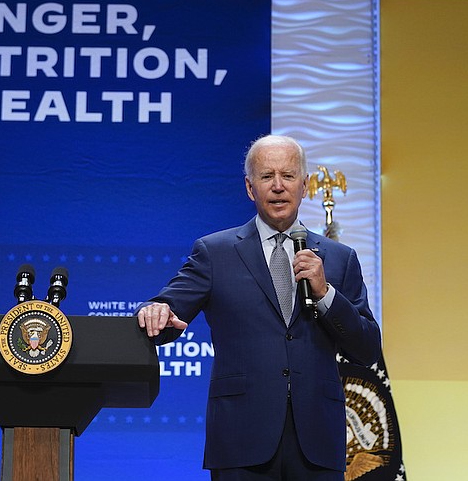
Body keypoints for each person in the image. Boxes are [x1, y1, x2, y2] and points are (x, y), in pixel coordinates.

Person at [136, 134, 381, 480]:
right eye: (267, 177)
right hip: (240, 439)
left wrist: (326, 293)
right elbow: (166, 307)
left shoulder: (339, 259)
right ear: (251, 188)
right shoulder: (215, 252)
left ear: (305, 186)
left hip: (318, 441)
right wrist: (154, 311)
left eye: (288, 176)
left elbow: (367, 348)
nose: (278, 187)